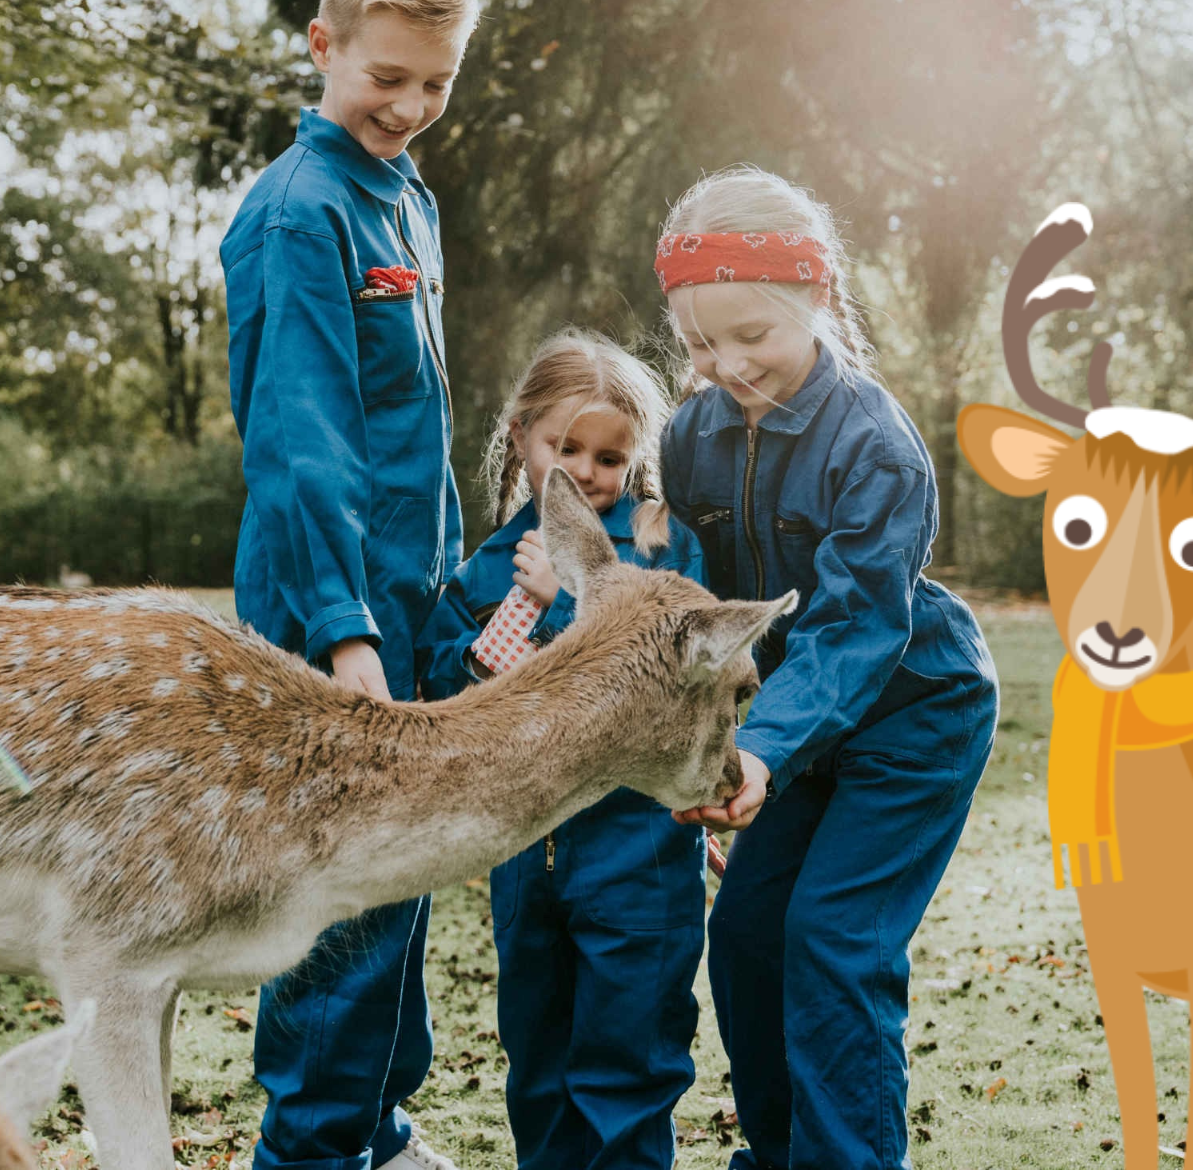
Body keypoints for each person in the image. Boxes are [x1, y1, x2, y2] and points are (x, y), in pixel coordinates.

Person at [655, 166, 999, 1170]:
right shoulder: (689, 439)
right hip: (784, 740)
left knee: (832, 945)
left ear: (815, 298)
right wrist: (709, 753)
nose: (727, 363)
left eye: (750, 335)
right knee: (751, 942)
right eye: (699, 344)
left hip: (909, 718)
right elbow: (694, 608)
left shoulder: (873, 445)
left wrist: (759, 754)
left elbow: (852, 629)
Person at [220, 0, 480, 1170]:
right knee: (336, 911)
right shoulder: (299, 213)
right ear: (321, 46)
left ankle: (375, 1133)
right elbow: (302, 445)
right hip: (333, 631)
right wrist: (344, 636)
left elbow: (414, 442)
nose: (410, 104)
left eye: (436, 82)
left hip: (415, 612)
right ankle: (314, 1151)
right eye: (385, 78)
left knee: (401, 892)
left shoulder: (407, 202)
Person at [416, 330, 711, 1170]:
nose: (586, 470)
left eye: (609, 455)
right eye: (565, 446)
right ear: (520, 437)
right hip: (525, 858)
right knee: (538, 1064)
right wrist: (500, 626)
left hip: (636, 856)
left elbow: (661, 667)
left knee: (630, 1064)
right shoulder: (489, 562)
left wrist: (569, 597)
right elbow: (448, 679)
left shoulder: (657, 544)